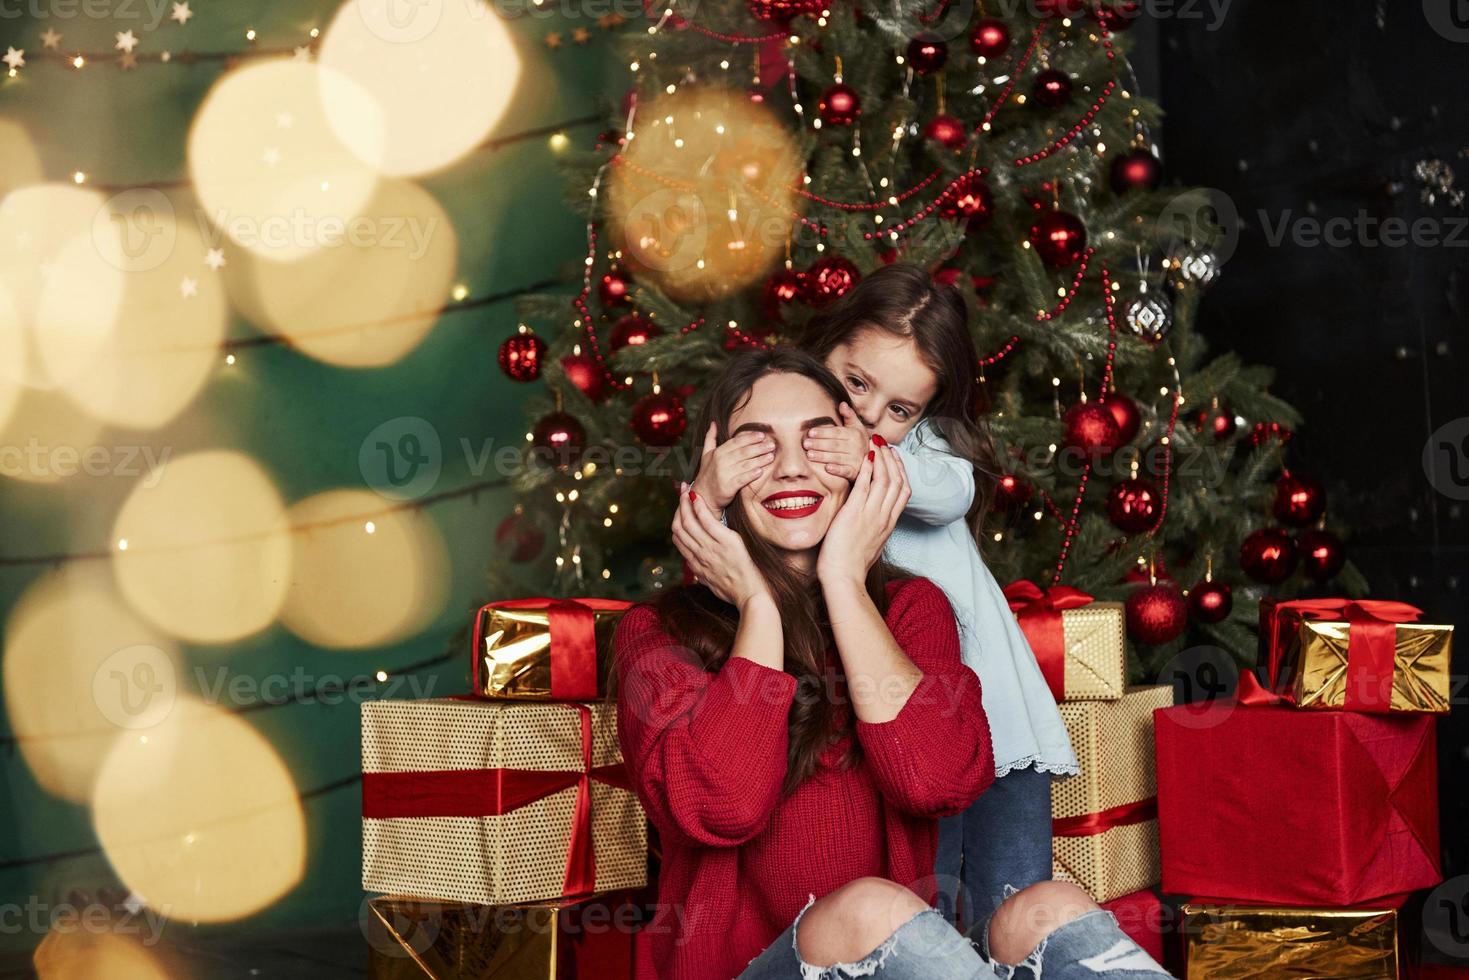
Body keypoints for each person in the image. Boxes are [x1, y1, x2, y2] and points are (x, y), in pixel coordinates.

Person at [614, 347, 1169, 979]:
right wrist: (758, 608)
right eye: (757, 447)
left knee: (1042, 909)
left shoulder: (911, 609)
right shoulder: (656, 634)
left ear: (864, 463)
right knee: (866, 911)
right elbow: (724, 805)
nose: (793, 469)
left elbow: (935, 783)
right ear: (712, 472)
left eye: (819, 441)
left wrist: (846, 582)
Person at [691, 264, 1079, 931]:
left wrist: (870, 452)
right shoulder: (792, 461)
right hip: (901, 723)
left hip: (995, 724)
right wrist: (707, 487)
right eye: (855, 382)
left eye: (898, 409)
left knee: (1018, 908)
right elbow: (733, 556)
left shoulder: (921, 459)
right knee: (938, 915)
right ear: (822, 353)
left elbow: (951, 490)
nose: (869, 416)